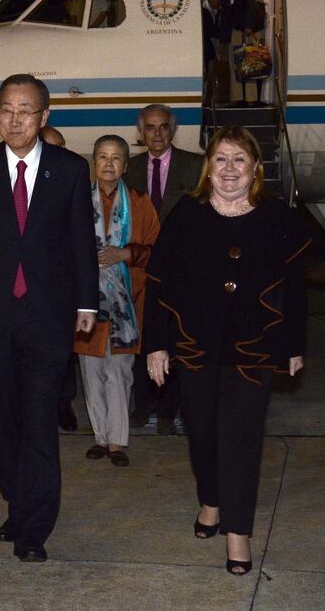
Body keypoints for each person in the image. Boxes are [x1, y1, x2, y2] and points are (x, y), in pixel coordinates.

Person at [0, 74, 98, 563]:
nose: (15, 119)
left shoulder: (70, 170)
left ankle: (35, 527)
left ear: (44, 116)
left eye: (25, 110)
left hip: (48, 319)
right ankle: (17, 503)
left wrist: (87, 304)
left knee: (38, 420)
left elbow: (80, 243)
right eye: (6, 109)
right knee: (4, 419)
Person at [144, 125, 310, 576]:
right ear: (208, 167)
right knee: (202, 433)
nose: (230, 169)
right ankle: (210, 500)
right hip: (195, 346)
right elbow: (158, 282)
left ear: (255, 167)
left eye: (240, 159)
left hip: (253, 349)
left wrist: (293, 344)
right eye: (221, 159)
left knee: (240, 438)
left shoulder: (278, 217)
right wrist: (156, 344)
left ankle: (238, 533)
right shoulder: (187, 215)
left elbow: (295, 287)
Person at [73, 135, 159, 467]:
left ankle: (117, 442)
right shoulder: (78, 199)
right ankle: (99, 436)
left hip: (127, 299)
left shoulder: (140, 202)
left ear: (126, 164)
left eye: (117, 158)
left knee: (119, 371)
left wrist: (125, 253)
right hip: (86, 301)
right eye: (103, 157)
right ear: (94, 162)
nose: (109, 164)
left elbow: (158, 250)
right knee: (91, 369)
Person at [123, 104, 203, 435]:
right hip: (141, 269)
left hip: (183, 269)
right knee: (143, 337)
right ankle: (144, 404)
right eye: (151, 128)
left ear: (172, 130)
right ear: (142, 133)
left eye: (163, 127)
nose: (157, 133)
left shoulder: (197, 165)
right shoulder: (130, 168)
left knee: (177, 337)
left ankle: (170, 410)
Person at [38, 124, 79, 432]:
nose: (61, 152)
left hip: (62, 284)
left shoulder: (71, 178)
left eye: (63, 146)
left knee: (62, 352)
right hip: (27, 286)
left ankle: (63, 404)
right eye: (54, 146)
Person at [217, 0, 261, 103]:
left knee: (248, 62)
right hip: (233, 30)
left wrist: (248, 26)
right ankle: (236, 97)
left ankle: (251, 98)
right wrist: (223, 38)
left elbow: (250, 5)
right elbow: (224, 15)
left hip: (247, 29)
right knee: (235, 63)